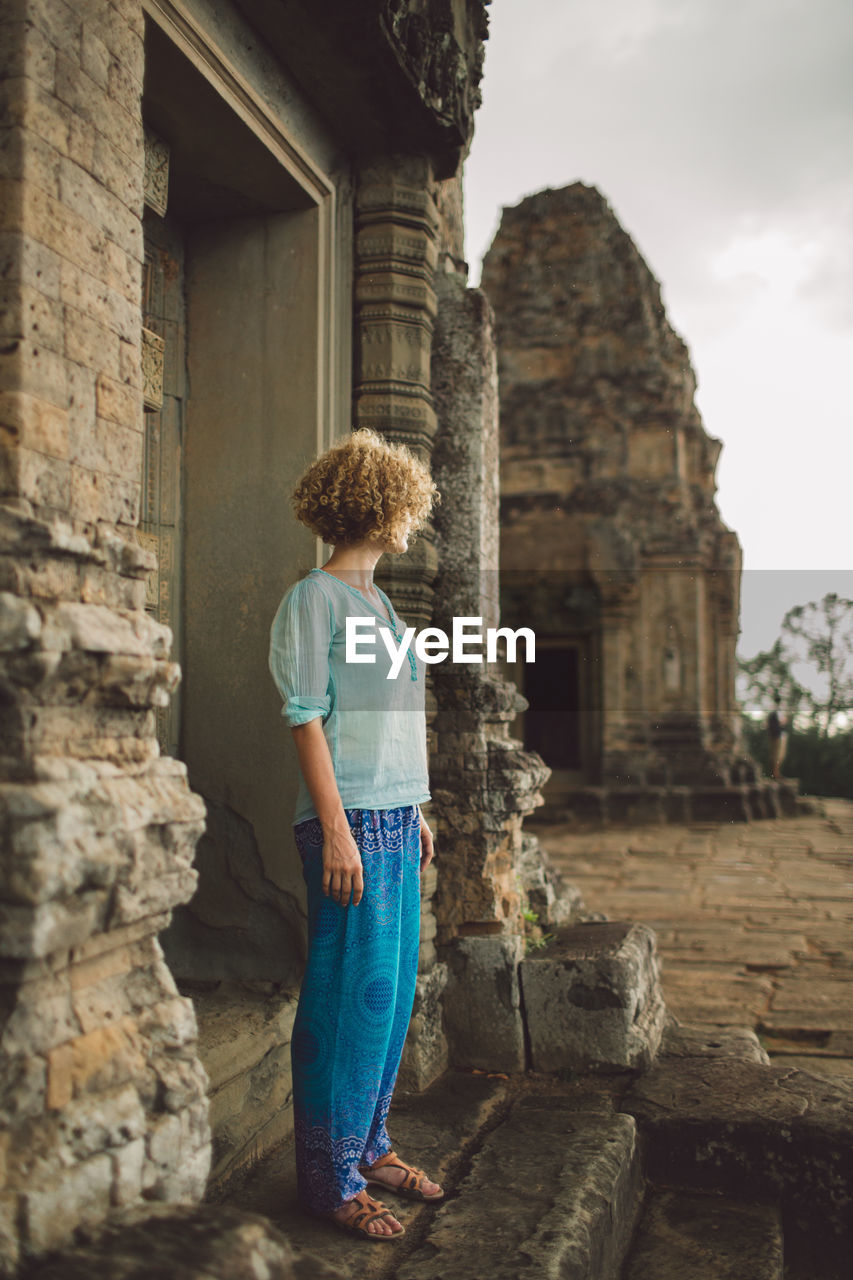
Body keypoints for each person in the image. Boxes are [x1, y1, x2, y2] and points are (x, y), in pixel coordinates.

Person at [268, 428, 444, 1241]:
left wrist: (416, 810)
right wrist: (338, 832)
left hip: (395, 820)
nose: (412, 514)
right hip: (348, 825)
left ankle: (370, 1148)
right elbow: (306, 717)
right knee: (347, 1002)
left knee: (390, 997)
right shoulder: (315, 598)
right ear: (382, 504)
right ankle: (328, 1181)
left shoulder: (379, 603)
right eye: (406, 500)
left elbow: (390, 721)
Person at [766, 693, 788, 780]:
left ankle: (776, 773)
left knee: (779, 755)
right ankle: (775, 774)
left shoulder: (777, 711)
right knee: (776, 755)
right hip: (777, 735)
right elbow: (776, 724)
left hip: (779, 735)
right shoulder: (775, 712)